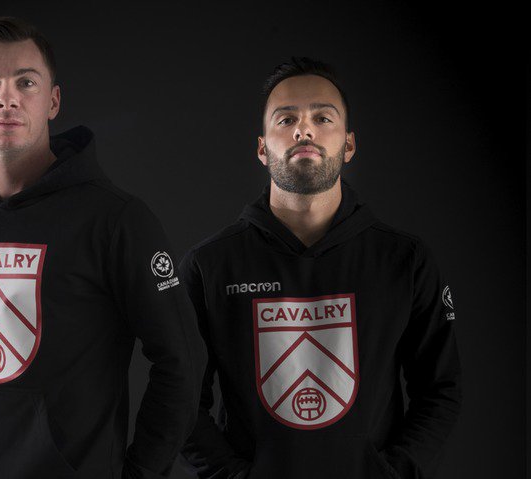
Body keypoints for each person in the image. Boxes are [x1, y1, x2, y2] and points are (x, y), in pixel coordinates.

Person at [0, 16, 206, 479]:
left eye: (25, 82)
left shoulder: (114, 219)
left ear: (53, 101)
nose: (6, 98)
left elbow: (182, 361)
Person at [178, 57, 461, 478]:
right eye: (287, 119)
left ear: (349, 144)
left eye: (322, 118)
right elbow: (182, 401)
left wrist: (392, 473)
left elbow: (440, 390)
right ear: (262, 148)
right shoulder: (209, 266)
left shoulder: (404, 260)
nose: (303, 130)